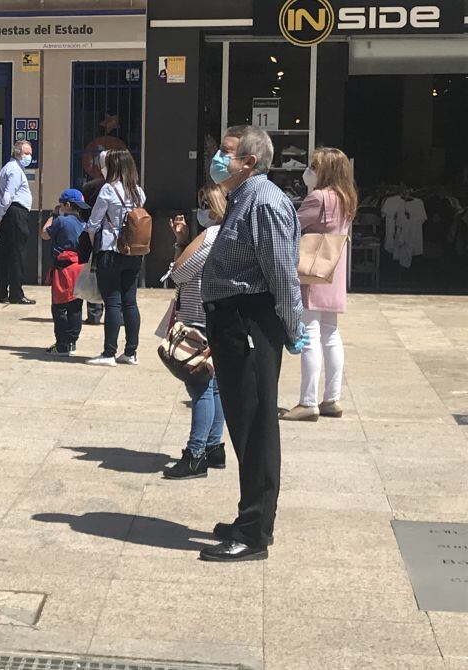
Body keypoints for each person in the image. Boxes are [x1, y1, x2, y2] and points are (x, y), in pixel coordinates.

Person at [199, 125, 308, 562]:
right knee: (244, 421)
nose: (220, 160)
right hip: (233, 319)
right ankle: (251, 514)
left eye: (228, 153)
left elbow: (281, 271)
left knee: (257, 421)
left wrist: (293, 322)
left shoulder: (262, 200)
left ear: (250, 161)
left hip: (249, 320)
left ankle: (254, 532)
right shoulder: (243, 198)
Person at [280, 147, 356, 422]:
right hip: (333, 274)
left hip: (312, 272)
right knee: (331, 334)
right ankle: (331, 398)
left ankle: (308, 401)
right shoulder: (346, 198)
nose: (309, 170)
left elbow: (292, 226)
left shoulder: (319, 198)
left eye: (314, 166)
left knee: (309, 334)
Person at [162, 185, 228, 480]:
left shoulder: (210, 236)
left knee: (200, 387)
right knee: (214, 387)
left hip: (198, 318)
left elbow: (178, 273)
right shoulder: (231, 234)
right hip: (219, 316)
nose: (201, 209)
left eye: (205, 203)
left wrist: (180, 244)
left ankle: (195, 454)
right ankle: (214, 446)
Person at [84, 149, 145, 366]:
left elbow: (94, 222)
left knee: (112, 301)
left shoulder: (108, 190)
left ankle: (109, 353)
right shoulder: (138, 191)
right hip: (133, 252)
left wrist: (93, 244)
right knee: (130, 302)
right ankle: (131, 351)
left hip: (111, 250)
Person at [40, 189, 91, 356]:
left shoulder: (60, 221)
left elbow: (44, 234)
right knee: (76, 307)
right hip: (80, 268)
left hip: (63, 270)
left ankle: (61, 344)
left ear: (67, 205)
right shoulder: (84, 224)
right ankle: (72, 343)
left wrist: (52, 216)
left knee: (60, 308)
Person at [0, 141, 35, 305]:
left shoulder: (6, 168)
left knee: (5, 254)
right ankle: (16, 294)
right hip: (15, 214)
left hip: (8, 214)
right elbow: (7, 196)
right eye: (27, 153)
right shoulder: (15, 170)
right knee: (17, 254)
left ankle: (1, 292)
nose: (30, 156)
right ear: (18, 153)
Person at [79, 152, 106, 326]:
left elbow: (83, 211)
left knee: (94, 274)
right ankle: (117, 315)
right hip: (115, 238)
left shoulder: (89, 187)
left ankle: (94, 315)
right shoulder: (125, 187)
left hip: (92, 233)